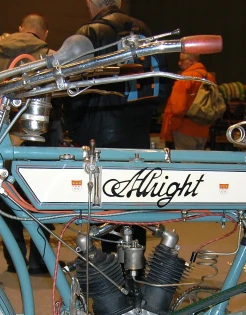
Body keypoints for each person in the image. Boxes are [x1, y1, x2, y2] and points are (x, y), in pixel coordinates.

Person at [64, 0, 160, 251]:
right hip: (138, 134)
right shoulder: (145, 30)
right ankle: (135, 274)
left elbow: (73, 89)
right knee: (133, 205)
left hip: (100, 136)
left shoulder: (90, 34)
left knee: (106, 209)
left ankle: (112, 278)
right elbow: (161, 83)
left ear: (89, 3)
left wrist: (73, 128)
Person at [0, 14, 53, 275]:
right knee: (40, 199)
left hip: (4, 135)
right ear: (44, 33)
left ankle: (15, 261)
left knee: (4, 197)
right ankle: (39, 260)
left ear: (20, 28)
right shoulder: (48, 52)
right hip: (38, 135)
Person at [160, 53, 216, 150]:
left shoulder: (185, 78)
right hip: (203, 129)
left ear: (190, 61)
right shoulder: (209, 77)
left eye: (182, 60)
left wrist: (172, 126)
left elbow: (177, 108)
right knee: (197, 161)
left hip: (184, 129)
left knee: (186, 162)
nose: (179, 63)